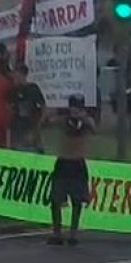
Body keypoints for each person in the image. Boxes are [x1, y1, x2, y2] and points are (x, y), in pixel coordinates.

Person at [48, 94, 95, 246]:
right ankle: (57, 233)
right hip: (63, 161)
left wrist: (83, 118)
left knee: (77, 200)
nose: (75, 110)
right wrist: (58, 111)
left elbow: (94, 128)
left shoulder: (87, 122)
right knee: (56, 199)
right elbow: (48, 121)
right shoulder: (63, 120)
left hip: (77, 163)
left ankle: (73, 233)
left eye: (78, 107)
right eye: (73, 107)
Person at [6, 64, 45, 152]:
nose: (14, 77)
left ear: (23, 75)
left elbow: (43, 108)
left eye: (17, 75)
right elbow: (9, 111)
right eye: (14, 75)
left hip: (31, 128)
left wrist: (38, 127)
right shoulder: (12, 91)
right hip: (17, 130)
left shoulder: (33, 89)